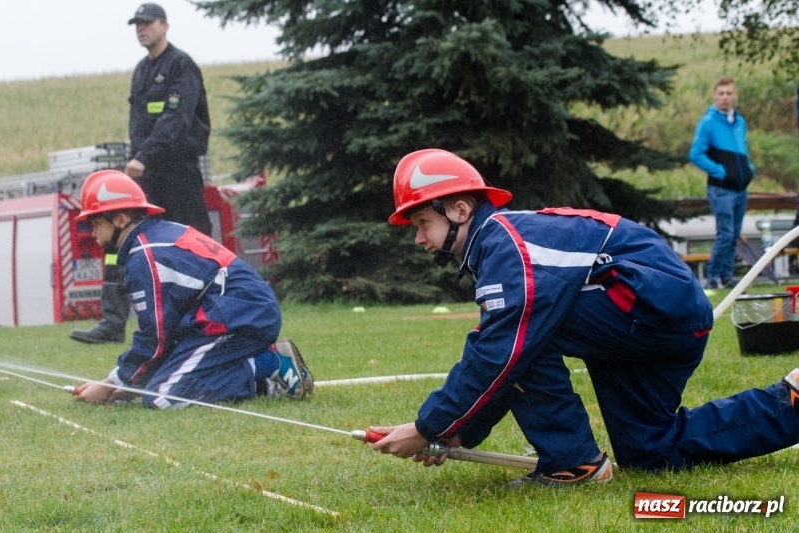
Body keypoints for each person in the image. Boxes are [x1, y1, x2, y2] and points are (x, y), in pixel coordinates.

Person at [370, 148, 799, 487]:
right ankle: (791, 403)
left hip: (653, 309)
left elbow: (502, 351)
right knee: (651, 452)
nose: (418, 238)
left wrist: (428, 426)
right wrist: (456, 432)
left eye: (422, 222)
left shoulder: (504, 241)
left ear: (460, 210)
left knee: (519, 336)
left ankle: (572, 465)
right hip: (657, 318)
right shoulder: (504, 243)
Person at [72, 170, 313, 408]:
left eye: (95, 223)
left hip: (238, 316)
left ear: (120, 219)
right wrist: (125, 383)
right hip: (234, 311)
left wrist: (112, 383)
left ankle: (269, 363)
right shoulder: (155, 237)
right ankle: (262, 375)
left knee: (162, 398)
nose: (92, 233)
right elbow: (167, 329)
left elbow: (155, 338)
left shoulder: (143, 256)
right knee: (154, 386)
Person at [70, 3, 213, 344]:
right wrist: (138, 160)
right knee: (117, 240)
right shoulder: (141, 69)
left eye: (148, 23)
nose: (141, 28)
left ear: (165, 25)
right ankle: (111, 323)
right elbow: (141, 123)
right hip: (144, 174)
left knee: (192, 242)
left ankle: (212, 312)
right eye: (137, 24)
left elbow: (175, 122)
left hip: (177, 173)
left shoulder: (181, 65)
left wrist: (144, 157)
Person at [689, 76, 755, 290]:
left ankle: (727, 277)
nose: (725, 97)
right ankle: (712, 277)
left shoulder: (739, 121)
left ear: (734, 95)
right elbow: (696, 154)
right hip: (721, 189)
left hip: (740, 189)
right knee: (725, 234)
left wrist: (749, 170)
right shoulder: (708, 122)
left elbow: (742, 150)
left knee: (735, 235)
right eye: (721, 93)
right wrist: (721, 171)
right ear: (715, 95)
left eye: (729, 93)